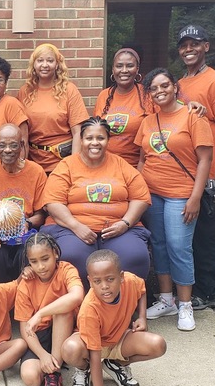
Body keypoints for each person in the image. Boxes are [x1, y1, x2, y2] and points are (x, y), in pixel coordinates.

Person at [136, 68, 213, 331]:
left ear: (175, 87)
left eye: (164, 85)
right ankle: (166, 299)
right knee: (158, 245)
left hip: (181, 195)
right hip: (152, 194)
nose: (160, 91)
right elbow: (143, 159)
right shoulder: (148, 121)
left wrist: (195, 197)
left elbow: (205, 160)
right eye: (154, 88)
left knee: (179, 246)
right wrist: (139, 192)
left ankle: (185, 304)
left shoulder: (193, 116)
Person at [175, 25, 215, 311]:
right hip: (185, 175)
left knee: (205, 237)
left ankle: (209, 292)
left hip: (209, 175)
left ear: (206, 47)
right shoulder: (179, 84)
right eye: (184, 45)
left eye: (195, 44)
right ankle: (193, 289)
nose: (188, 49)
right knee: (188, 237)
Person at [41, 116, 151, 282]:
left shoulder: (120, 165)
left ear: (108, 140)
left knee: (134, 256)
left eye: (100, 138)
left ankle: (123, 298)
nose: (95, 143)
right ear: (81, 140)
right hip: (72, 229)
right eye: (89, 138)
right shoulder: (67, 165)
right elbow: (53, 202)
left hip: (118, 228)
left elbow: (141, 197)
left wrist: (125, 223)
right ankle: (79, 298)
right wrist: (76, 226)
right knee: (71, 255)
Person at [62, 250, 166, 386]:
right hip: (90, 347)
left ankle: (116, 364)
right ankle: (83, 369)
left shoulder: (130, 281)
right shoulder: (89, 309)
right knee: (70, 349)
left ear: (121, 276)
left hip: (119, 340)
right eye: (97, 281)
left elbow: (142, 289)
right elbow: (95, 354)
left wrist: (142, 317)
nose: (104, 286)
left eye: (110, 279)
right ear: (90, 281)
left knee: (158, 345)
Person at [15, 232, 84, 386]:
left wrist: (40, 313)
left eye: (45, 259)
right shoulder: (26, 283)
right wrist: (42, 355)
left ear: (55, 253)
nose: (40, 266)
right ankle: (52, 361)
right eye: (34, 261)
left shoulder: (66, 269)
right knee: (31, 378)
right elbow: (25, 328)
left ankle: (53, 374)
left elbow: (77, 296)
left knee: (62, 310)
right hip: (41, 334)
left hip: (66, 327)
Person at [0, 124, 47, 283]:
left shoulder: (36, 172)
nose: (8, 150)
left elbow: (41, 215)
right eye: (2, 145)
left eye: (13, 145)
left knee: (27, 252)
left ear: (22, 145)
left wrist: (27, 223)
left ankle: (24, 297)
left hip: (25, 235)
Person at [18, 43, 89, 173]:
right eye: (40, 60)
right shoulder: (25, 91)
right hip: (33, 162)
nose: (45, 65)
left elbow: (78, 133)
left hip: (61, 162)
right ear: (34, 65)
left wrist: (73, 166)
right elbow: (21, 132)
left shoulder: (69, 90)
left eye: (50, 61)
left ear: (57, 65)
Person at [93, 48, 150, 167]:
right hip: (104, 165)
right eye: (119, 66)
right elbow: (95, 132)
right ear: (113, 69)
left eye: (129, 66)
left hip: (135, 166)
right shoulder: (104, 95)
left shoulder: (147, 95)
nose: (124, 70)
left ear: (137, 69)